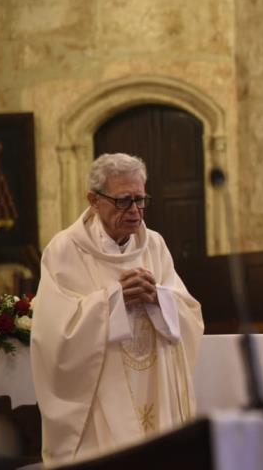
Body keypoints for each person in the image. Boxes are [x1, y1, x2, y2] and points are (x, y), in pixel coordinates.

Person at [31, 153, 203, 464]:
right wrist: (113, 300)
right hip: (101, 391)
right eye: (124, 200)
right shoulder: (64, 250)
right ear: (94, 200)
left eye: (140, 199)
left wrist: (158, 297)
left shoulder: (154, 245)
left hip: (155, 384)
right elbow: (53, 332)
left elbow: (189, 313)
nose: (135, 210)